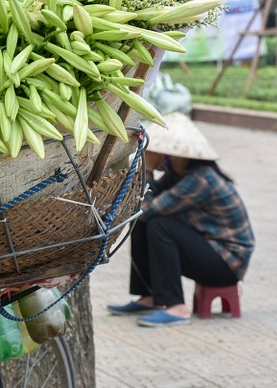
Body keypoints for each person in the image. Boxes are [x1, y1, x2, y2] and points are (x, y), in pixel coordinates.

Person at [108, 112, 255, 327]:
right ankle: (149, 297)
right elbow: (143, 203)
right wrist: (148, 172)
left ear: (182, 155)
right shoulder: (179, 172)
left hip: (228, 263)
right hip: (211, 249)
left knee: (160, 226)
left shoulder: (200, 180)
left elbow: (149, 208)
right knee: (142, 222)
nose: (162, 156)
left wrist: (148, 168)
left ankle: (176, 307)